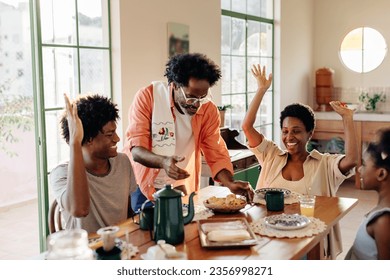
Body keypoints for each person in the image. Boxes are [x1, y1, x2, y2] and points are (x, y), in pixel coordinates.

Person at [241, 64, 358, 259]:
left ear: (309, 134)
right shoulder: (270, 154)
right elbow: (247, 126)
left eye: (296, 131)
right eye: (285, 131)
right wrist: (261, 90)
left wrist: (347, 118)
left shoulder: (324, 164)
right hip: (266, 236)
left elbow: (352, 159)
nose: (289, 137)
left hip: (307, 242)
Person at [124, 53, 254, 211]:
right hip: (143, 185)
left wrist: (229, 183)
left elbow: (216, 152)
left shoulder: (208, 109)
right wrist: (163, 162)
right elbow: (137, 150)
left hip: (181, 188)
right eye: (191, 97)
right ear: (175, 85)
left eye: (202, 97)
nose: (196, 104)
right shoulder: (148, 98)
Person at [50, 94, 136, 233]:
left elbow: (128, 215)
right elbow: (80, 209)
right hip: (84, 251)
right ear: (88, 139)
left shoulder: (123, 162)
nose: (117, 139)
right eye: (109, 134)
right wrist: (75, 142)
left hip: (119, 248)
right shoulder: (61, 173)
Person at [345, 128, 390, 260]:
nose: (359, 169)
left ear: (381, 174)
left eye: (364, 164)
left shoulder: (384, 222)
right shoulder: (382, 213)